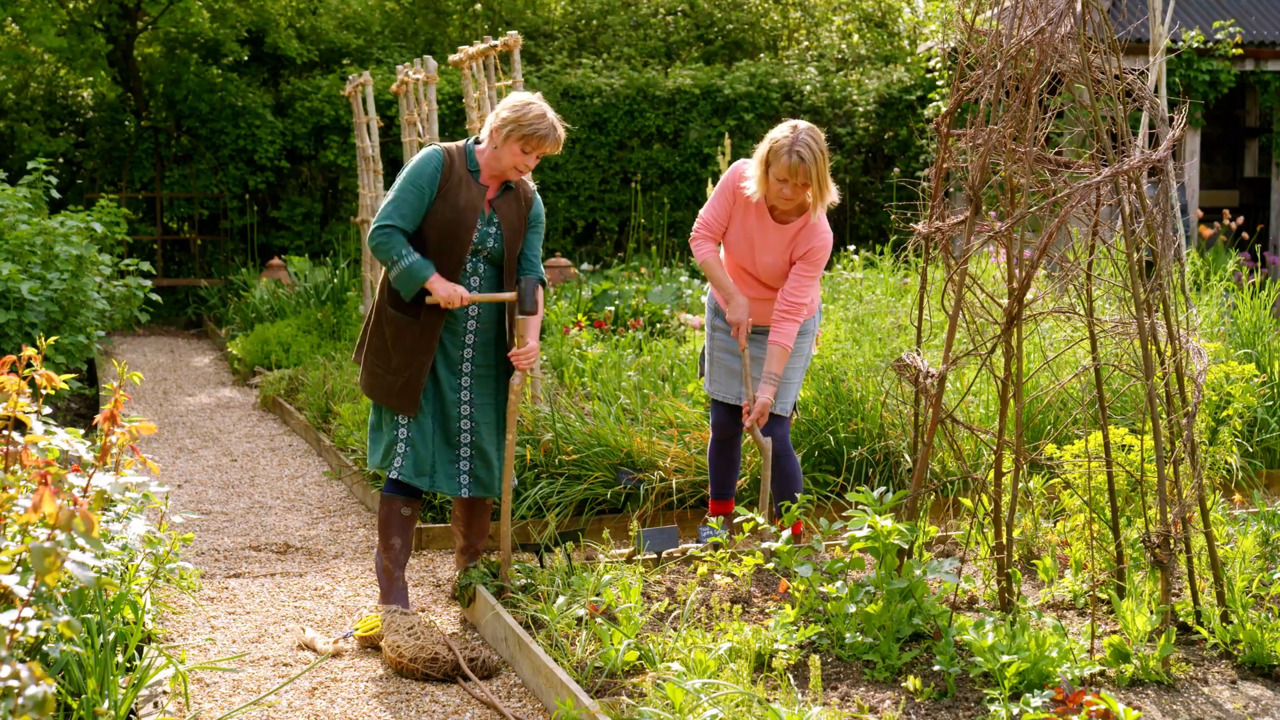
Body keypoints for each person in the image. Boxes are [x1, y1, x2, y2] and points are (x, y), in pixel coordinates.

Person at [352, 91, 567, 609]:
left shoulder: (526, 199)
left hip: (485, 350)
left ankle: (470, 580)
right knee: (410, 456)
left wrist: (530, 337)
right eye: (527, 150)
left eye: (539, 157)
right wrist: (430, 279)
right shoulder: (439, 164)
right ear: (499, 132)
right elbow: (384, 234)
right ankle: (393, 594)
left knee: (481, 460)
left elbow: (530, 275)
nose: (530, 164)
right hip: (419, 342)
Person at [688, 119, 837, 539]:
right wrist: (733, 298)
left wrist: (768, 390)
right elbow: (702, 237)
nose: (788, 192)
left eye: (802, 184)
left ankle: (792, 533)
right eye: (781, 179)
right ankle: (719, 523)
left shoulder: (816, 231)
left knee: (774, 428)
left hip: (788, 325)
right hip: (729, 310)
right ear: (764, 167)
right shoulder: (737, 181)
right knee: (725, 421)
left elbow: (790, 313)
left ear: (818, 181)